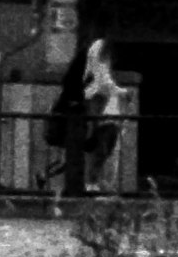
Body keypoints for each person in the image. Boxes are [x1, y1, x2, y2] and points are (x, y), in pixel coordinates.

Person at [46, 37, 126, 198]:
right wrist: (119, 92)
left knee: (77, 153)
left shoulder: (85, 60)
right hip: (86, 111)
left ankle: (78, 187)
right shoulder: (95, 57)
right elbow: (100, 81)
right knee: (92, 151)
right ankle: (87, 186)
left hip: (80, 110)